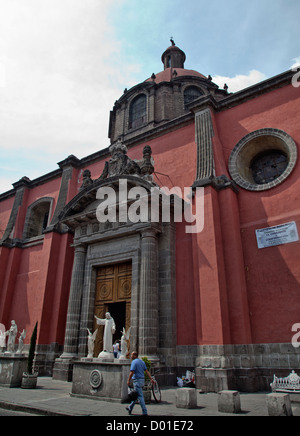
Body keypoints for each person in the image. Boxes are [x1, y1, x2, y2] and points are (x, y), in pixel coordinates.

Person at [126, 351, 154, 416]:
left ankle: (145, 412)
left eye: (132, 355)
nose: (131, 356)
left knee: (140, 396)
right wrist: (151, 379)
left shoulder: (134, 362)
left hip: (137, 381)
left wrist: (128, 380)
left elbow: (132, 372)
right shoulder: (142, 362)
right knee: (135, 395)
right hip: (142, 380)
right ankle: (130, 408)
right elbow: (147, 371)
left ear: (135, 356)